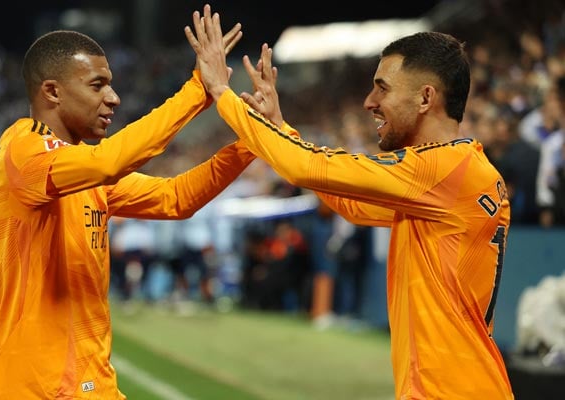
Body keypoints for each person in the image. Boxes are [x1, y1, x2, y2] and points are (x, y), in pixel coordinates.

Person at [186, 10, 513, 399]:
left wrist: (222, 92)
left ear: (426, 97)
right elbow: (352, 205)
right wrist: (279, 127)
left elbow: (303, 166)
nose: (368, 101)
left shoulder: (441, 169)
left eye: (383, 88)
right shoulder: (457, 171)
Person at [0, 6, 255, 399]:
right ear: (53, 92)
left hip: (92, 381)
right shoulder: (25, 151)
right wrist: (199, 90)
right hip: (38, 387)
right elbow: (109, 161)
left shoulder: (83, 169)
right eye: (97, 85)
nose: (113, 98)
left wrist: (249, 144)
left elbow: (175, 198)